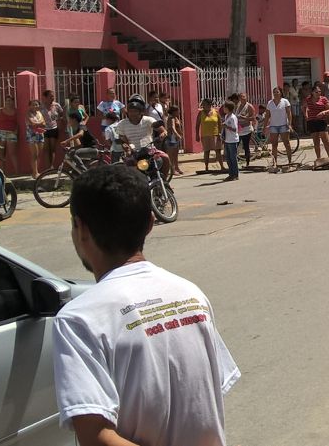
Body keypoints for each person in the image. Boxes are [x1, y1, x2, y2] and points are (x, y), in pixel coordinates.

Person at [52, 166, 239, 446]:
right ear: (151, 222)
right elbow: (205, 398)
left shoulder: (79, 318)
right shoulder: (190, 293)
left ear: (80, 228)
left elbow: (95, 436)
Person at [115, 97, 171, 182]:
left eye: (135, 111)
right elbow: (123, 140)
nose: (132, 113)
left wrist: (163, 134)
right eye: (130, 111)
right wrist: (126, 147)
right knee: (127, 173)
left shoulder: (148, 120)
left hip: (150, 150)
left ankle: (164, 181)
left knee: (165, 157)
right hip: (134, 153)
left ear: (141, 112)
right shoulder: (122, 124)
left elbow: (162, 130)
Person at [261, 87, 295, 173]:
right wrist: (264, 127)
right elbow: (267, 116)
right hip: (273, 126)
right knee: (274, 145)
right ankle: (275, 163)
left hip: (283, 125)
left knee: (286, 143)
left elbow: (289, 113)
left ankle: (290, 161)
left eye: (277, 92)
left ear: (280, 93)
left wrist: (290, 124)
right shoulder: (270, 103)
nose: (275, 94)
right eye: (274, 92)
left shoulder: (285, 101)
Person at [304, 86, 329, 163]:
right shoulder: (308, 99)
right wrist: (306, 115)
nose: (318, 93)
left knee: (325, 140)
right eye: (316, 92)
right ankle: (319, 158)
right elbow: (304, 107)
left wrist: (323, 112)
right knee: (316, 141)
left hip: (321, 121)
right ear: (312, 93)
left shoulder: (323, 99)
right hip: (312, 121)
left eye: (319, 91)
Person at [0, 95, 21, 175]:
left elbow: (18, 123)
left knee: (12, 153)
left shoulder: (15, 111)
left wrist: (16, 131)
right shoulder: (0, 110)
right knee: (1, 153)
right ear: (5, 102)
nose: (8, 102)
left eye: (10, 100)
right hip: (1, 134)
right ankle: (2, 173)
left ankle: (17, 173)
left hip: (11, 134)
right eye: (7, 100)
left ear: (13, 102)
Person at [197, 98, 223, 174]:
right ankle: (206, 167)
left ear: (209, 105)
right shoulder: (200, 113)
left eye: (204, 104)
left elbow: (220, 123)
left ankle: (222, 166)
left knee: (218, 151)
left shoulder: (216, 112)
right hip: (205, 135)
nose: (203, 106)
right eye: (203, 104)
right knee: (206, 151)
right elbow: (197, 124)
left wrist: (220, 133)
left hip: (215, 134)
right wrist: (197, 135)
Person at [42, 90, 65, 169]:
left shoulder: (56, 105)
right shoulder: (41, 106)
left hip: (54, 128)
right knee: (46, 149)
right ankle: (46, 167)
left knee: (52, 149)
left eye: (53, 96)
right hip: (44, 129)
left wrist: (59, 119)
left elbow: (62, 114)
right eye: (50, 96)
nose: (52, 98)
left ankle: (51, 166)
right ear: (45, 97)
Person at [26, 97, 47, 178]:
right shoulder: (28, 113)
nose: (35, 106)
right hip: (32, 135)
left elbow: (44, 124)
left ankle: (36, 170)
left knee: (39, 154)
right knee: (34, 154)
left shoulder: (39, 113)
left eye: (36, 104)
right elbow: (32, 124)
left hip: (40, 134)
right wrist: (40, 123)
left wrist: (37, 124)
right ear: (30, 106)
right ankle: (35, 172)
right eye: (33, 105)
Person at [221, 101, 240, 181]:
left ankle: (235, 174)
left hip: (232, 140)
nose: (223, 109)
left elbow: (235, 129)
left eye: (225, 107)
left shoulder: (233, 117)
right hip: (227, 140)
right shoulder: (226, 116)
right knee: (228, 158)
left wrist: (226, 127)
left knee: (233, 158)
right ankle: (231, 174)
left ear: (228, 108)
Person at [164, 105, 184, 175]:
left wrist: (180, 133)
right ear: (174, 111)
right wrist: (177, 135)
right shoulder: (171, 118)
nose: (179, 112)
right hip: (172, 138)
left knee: (175, 154)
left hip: (175, 138)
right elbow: (173, 128)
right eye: (178, 111)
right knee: (171, 155)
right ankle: (172, 169)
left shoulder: (175, 118)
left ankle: (177, 167)